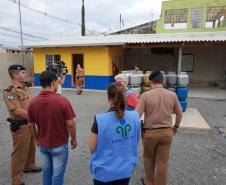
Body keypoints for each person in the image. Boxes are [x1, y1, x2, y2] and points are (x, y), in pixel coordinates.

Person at [28, 71, 77, 185]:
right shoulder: (62, 101)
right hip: (59, 144)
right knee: (57, 176)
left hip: (43, 144)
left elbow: (31, 124)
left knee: (47, 172)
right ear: (54, 82)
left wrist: (37, 140)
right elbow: (70, 124)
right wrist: (73, 139)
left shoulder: (33, 102)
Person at [89, 82, 141, 185]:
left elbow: (92, 147)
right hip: (125, 170)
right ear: (125, 97)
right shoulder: (135, 116)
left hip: (104, 172)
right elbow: (136, 141)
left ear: (109, 98)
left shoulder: (100, 119)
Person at [136, 70, 182, 185]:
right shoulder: (173, 95)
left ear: (151, 82)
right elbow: (179, 113)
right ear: (162, 81)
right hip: (167, 133)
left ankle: (149, 182)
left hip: (150, 134)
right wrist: (175, 126)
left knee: (148, 159)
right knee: (162, 162)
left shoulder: (145, 95)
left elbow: (136, 116)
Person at [3, 64, 41, 185]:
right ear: (15, 75)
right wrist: (35, 117)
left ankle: (29, 165)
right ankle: (16, 179)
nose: (26, 74)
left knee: (31, 146)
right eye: (23, 73)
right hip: (21, 125)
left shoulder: (24, 88)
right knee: (19, 152)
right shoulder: (10, 92)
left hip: (30, 123)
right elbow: (17, 111)